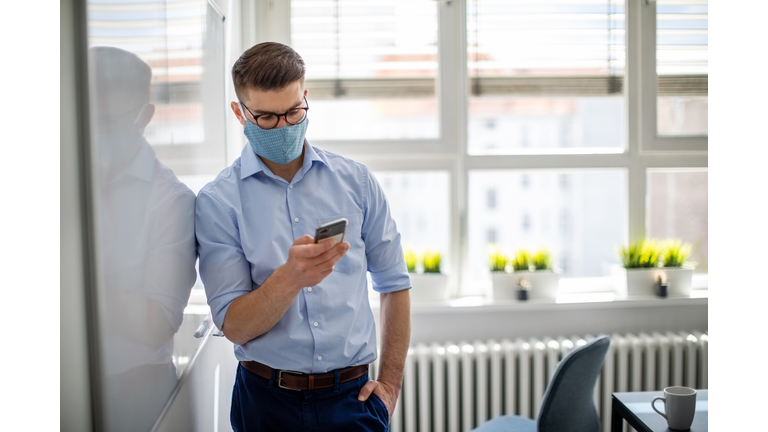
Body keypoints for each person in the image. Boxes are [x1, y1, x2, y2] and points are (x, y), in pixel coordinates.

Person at [195, 41, 412, 431]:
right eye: (266, 117)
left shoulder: (356, 182)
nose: (283, 127)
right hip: (265, 404)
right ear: (238, 113)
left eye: (294, 112)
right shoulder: (218, 202)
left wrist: (391, 385)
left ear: (306, 98)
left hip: (353, 400)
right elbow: (235, 326)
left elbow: (395, 283)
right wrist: (290, 279)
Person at [90, 46, 198, 432]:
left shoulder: (171, 201)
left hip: (137, 387)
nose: (93, 131)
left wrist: (80, 282)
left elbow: (157, 323)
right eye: (86, 117)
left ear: (145, 116)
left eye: (108, 120)